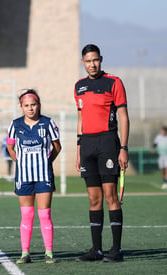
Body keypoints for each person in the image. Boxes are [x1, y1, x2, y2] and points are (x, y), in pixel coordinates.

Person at [74, 44, 130, 262]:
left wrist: (123, 148)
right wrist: (79, 149)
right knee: (93, 199)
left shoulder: (114, 83)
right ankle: (96, 250)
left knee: (110, 196)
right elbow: (81, 118)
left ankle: (115, 250)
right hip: (87, 145)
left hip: (108, 142)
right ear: (83, 63)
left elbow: (123, 116)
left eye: (95, 60)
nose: (92, 64)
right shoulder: (78, 86)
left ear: (101, 59)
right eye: (88, 61)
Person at [6, 89, 61, 264]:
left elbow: (57, 147)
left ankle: (49, 252)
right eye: (26, 105)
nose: (30, 108)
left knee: (44, 215)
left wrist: (47, 162)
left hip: (44, 176)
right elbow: (10, 147)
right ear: (21, 107)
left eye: (33, 105)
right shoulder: (15, 125)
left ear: (39, 105)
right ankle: (25, 253)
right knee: (27, 215)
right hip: (24, 177)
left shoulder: (48, 123)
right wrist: (20, 162)